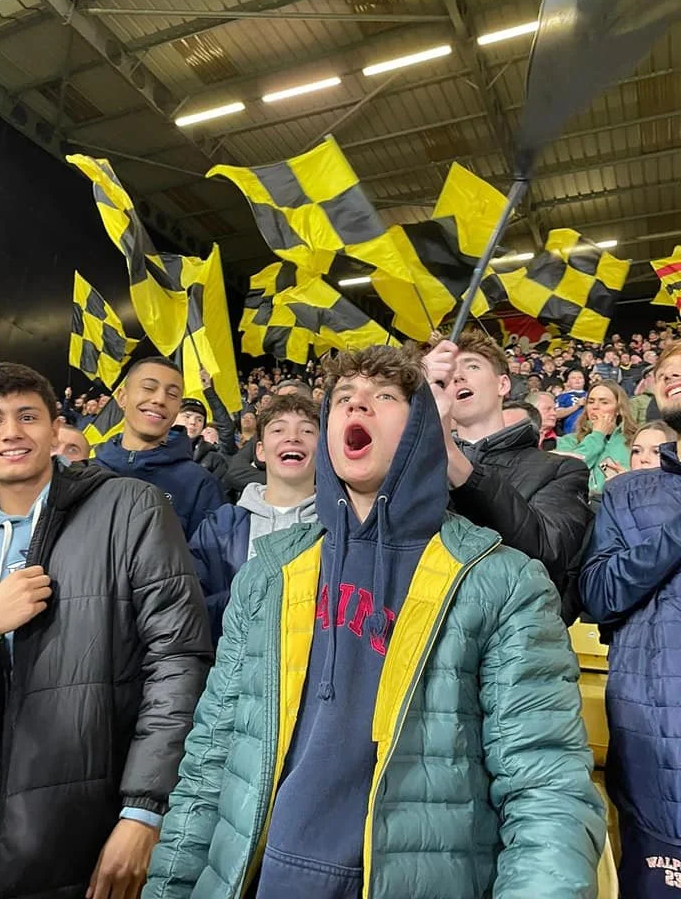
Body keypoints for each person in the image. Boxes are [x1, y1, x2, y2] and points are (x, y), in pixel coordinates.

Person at [143, 342, 605, 899]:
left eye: (383, 397)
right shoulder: (270, 572)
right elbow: (211, 761)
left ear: (421, 432)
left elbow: (545, 788)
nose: (357, 407)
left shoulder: (501, 582)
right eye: (343, 399)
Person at [0, 363, 212, 899]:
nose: (11, 432)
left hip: (82, 828)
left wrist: (144, 809)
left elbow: (178, 659)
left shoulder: (130, 506)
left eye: (27, 416)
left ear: (56, 430)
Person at [578, 344, 681, 898]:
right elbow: (598, 595)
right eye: (668, 371)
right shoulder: (626, 493)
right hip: (655, 760)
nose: (676, 376)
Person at [424, 331, 591, 603]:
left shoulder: (561, 469)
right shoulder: (419, 466)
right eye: (449, 372)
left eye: (472, 366)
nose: (458, 376)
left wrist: (456, 462)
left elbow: (548, 552)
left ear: (503, 384)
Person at [190, 395, 320, 644]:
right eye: (278, 429)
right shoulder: (221, 528)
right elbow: (192, 608)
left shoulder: (339, 527)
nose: (292, 437)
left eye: (306, 430)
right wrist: (254, 598)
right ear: (260, 450)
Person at [94, 357, 223, 541]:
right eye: (148, 388)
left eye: (172, 394)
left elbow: (209, 563)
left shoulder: (200, 485)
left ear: (177, 407)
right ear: (122, 397)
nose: (160, 399)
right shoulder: (86, 474)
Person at [556, 381, 636, 496]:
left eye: (604, 402)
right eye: (591, 402)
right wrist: (597, 435)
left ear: (618, 409)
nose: (595, 407)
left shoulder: (634, 441)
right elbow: (569, 470)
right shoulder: (568, 441)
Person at [555, 369, 588, 435]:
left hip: (589, 430)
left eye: (580, 377)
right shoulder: (562, 396)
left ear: (584, 381)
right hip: (571, 432)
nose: (577, 380)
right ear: (568, 381)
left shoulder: (591, 394)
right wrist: (577, 406)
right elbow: (557, 414)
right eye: (573, 378)